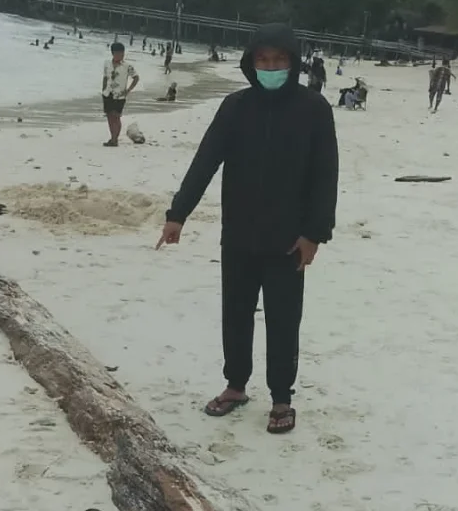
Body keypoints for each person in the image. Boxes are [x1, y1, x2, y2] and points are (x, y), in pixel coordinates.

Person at [156, 24, 339, 435]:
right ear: (250, 63)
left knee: (283, 319)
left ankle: (281, 398)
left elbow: (325, 175)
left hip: (289, 240)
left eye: (278, 60)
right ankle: (235, 386)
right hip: (238, 234)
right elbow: (205, 161)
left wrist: (314, 234)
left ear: (292, 63)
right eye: (262, 60)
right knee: (235, 314)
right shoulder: (235, 107)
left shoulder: (314, 109)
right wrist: (177, 214)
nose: (270, 67)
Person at [101, 41, 139, 146]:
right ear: (113, 53)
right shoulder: (107, 64)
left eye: (123, 54)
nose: (121, 56)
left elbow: (136, 78)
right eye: (119, 53)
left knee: (116, 116)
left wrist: (129, 90)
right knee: (109, 116)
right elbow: (105, 77)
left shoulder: (127, 66)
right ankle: (112, 137)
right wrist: (103, 89)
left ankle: (114, 139)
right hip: (108, 93)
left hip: (120, 95)